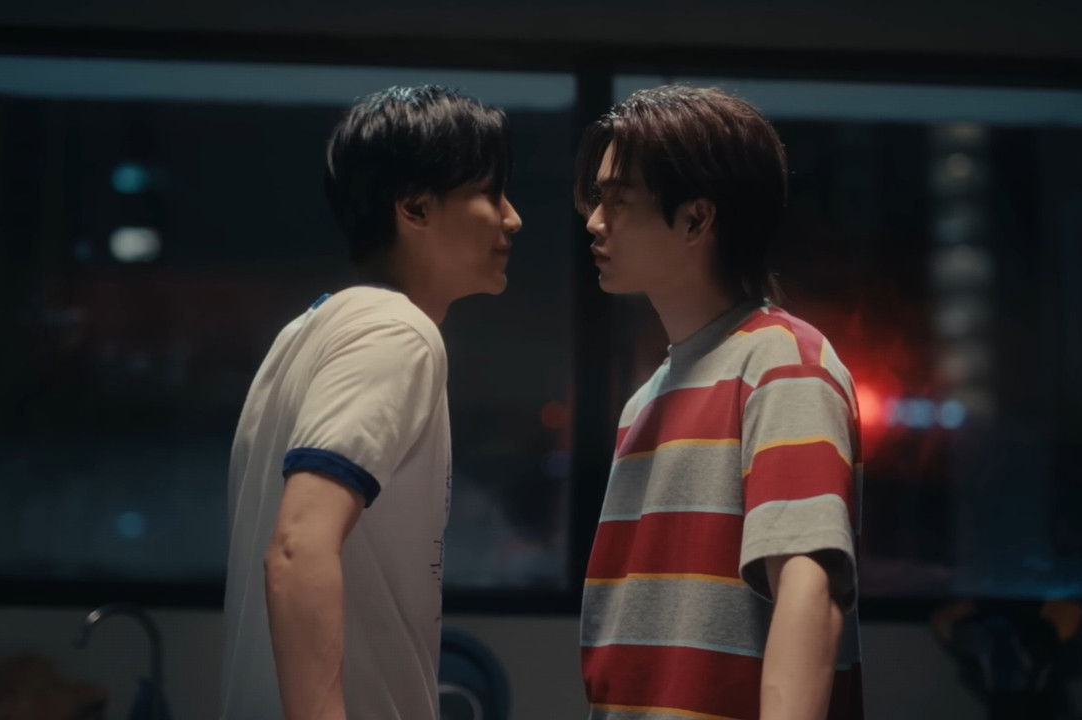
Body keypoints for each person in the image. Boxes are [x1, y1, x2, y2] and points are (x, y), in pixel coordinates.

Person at [220, 85, 522, 720]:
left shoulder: (306, 331)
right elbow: (298, 547)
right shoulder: (395, 330)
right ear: (414, 207)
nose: (512, 218)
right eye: (491, 193)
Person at [575, 85, 864, 720]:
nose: (595, 221)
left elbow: (808, 588)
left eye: (618, 200)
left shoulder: (782, 362)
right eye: (597, 198)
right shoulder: (644, 403)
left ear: (696, 220)